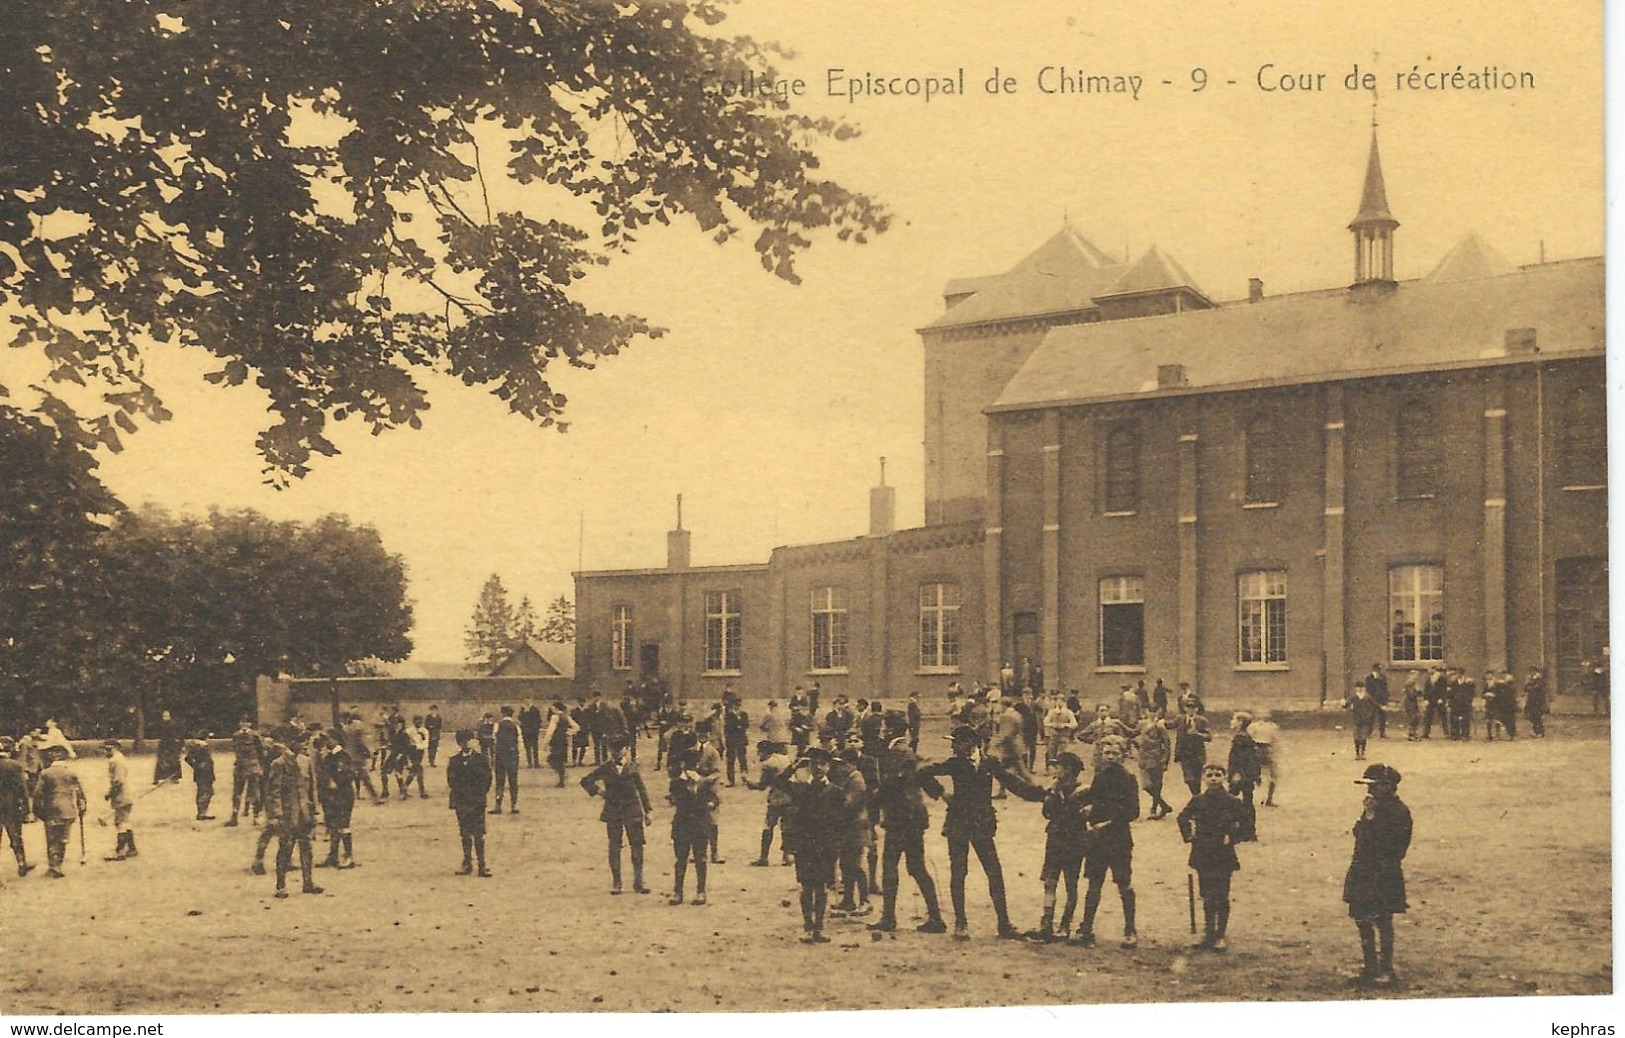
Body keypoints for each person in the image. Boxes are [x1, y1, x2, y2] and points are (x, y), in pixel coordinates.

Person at [917, 724, 1038, 941]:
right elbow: (922, 772)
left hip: (982, 824)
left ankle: (1004, 923)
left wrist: (1039, 794)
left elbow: (1013, 783)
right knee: (958, 872)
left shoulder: (990, 763)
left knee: (994, 872)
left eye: (956, 742)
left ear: (970, 744)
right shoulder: (955, 763)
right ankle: (960, 923)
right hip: (958, 824)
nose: (953, 746)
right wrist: (942, 793)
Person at [868, 720, 946, 934]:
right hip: (913, 818)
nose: (882, 731)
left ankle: (889, 918)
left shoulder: (896, 752)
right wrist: (939, 792)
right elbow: (923, 774)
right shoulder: (908, 751)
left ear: (892, 730)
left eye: (885, 728)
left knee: (890, 866)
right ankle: (936, 917)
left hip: (900, 818)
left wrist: (873, 799)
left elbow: (890, 784)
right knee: (916, 867)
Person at [1343, 763, 1412, 986]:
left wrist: (1371, 818)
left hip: (1383, 873)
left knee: (1382, 920)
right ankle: (1370, 966)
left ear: (1387, 786)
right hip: (1363, 870)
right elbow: (1358, 832)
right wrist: (1368, 816)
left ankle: (1386, 969)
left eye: (1373, 786)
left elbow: (1394, 846)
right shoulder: (1373, 807)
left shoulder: (1399, 812)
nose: (1369, 791)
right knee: (1362, 919)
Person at [1074, 735, 1141, 949]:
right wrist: (1085, 804)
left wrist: (1107, 822)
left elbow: (1133, 811)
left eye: (1115, 753)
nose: (1110, 757)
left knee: (1123, 883)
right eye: (1107, 753)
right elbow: (1093, 798)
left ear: (1123, 756)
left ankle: (1130, 930)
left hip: (1118, 838)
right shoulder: (1100, 776)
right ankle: (1086, 928)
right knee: (1094, 883)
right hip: (1097, 840)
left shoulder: (1128, 778)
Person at [777, 747, 845, 943]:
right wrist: (795, 765)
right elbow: (779, 781)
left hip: (825, 846)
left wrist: (835, 847)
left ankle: (819, 928)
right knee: (806, 887)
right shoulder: (800, 788)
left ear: (828, 767)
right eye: (814, 764)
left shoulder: (836, 792)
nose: (818, 768)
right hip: (805, 845)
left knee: (822, 887)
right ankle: (808, 926)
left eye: (822, 764)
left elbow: (840, 823)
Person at [1177, 762, 1247, 951]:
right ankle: (1208, 933)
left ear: (1225, 777)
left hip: (1224, 853)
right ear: (1204, 778)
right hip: (1203, 851)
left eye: (1218, 774)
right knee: (1207, 894)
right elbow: (1182, 817)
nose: (1214, 778)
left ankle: (1220, 935)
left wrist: (1232, 837)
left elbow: (1247, 825)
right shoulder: (1198, 800)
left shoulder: (1233, 801)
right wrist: (1189, 835)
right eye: (1209, 775)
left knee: (1222, 894)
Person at [1023, 750, 1088, 943]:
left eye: (1058, 766)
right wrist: (1052, 794)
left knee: (1070, 884)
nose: (1055, 770)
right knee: (1050, 881)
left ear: (1069, 770)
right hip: (1055, 840)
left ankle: (1065, 925)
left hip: (1074, 841)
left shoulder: (1084, 791)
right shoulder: (1054, 788)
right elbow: (1047, 813)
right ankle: (1047, 923)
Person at [580, 736, 653, 895]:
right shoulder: (605, 768)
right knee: (614, 846)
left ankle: (639, 881)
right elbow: (586, 781)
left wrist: (647, 811)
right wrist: (599, 792)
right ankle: (616, 882)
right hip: (613, 811)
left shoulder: (633, 767)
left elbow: (642, 789)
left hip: (632, 810)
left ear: (626, 749)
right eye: (613, 749)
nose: (616, 752)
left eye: (620, 749)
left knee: (637, 845)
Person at [262, 735, 322, 898]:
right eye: (299, 741)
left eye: (304, 742)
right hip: (287, 814)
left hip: (304, 813)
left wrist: (314, 811)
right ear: (290, 743)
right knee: (285, 849)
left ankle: (308, 882)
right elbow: (273, 792)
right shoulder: (279, 764)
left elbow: (312, 788)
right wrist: (275, 815)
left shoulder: (306, 761)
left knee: (306, 848)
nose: (302, 745)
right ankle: (281, 886)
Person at [667, 747, 718, 906]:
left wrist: (710, 803)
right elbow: (678, 801)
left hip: (700, 824)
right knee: (681, 859)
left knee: (700, 858)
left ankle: (700, 891)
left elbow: (715, 799)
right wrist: (691, 787)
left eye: (693, 764)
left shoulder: (704, 782)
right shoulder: (677, 783)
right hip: (683, 824)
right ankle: (678, 891)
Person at [446, 730, 493, 877]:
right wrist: (463, 795)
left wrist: (478, 795)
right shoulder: (454, 761)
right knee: (465, 833)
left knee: (479, 834)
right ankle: (467, 863)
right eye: (463, 741)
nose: (466, 744)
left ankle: (482, 865)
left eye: (468, 740)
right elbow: (452, 781)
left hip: (477, 801)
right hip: (462, 802)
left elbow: (487, 780)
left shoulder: (481, 759)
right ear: (459, 744)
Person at [34, 746, 85, 878]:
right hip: (69, 810)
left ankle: (53, 866)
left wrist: (38, 811)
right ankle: (59, 865)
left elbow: (38, 794)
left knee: (52, 839)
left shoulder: (46, 773)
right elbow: (80, 794)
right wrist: (82, 807)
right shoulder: (71, 773)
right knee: (63, 838)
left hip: (52, 809)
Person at [746, 740, 795, 867]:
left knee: (768, 827)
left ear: (764, 752)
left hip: (776, 799)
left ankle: (764, 857)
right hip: (790, 797)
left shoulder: (768, 764)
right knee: (786, 827)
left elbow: (762, 785)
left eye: (759, 752)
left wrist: (749, 782)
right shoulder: (784, 758)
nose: (758, 755)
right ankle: (786, 857)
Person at [315, 735, 359, 869]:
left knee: (344, 825)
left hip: (343, 795)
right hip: (331, 796)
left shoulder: (343, 756)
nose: (326, 742)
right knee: (332, 825)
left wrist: (335, 782)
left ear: (336, 740)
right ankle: (332, 856)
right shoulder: (328, 757)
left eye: (329, 739)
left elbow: (348, 776)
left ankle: (348, 856)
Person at [0, 737, 34, 876]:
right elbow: (22, 789)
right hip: (12, 806)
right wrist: (27, 810)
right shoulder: (15, 765)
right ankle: (22, 863)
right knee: (15, 836)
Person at [1226, 712, 1261, 842]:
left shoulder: (1240, 738)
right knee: (1247, 801)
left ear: (1240, 722)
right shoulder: (1246, 737)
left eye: (1234, 719)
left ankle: (1242, 831)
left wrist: (1236, 774)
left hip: (1241, 775)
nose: (1231, 722)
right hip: (1247, 774)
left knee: (1231, 801)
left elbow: (1239, 758)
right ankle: (1248, 831)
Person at [102, 740, 138, 861]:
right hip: (127, 792)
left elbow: (118, 781)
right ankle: (132, 848)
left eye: (109, 749)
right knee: (125, 820)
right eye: (105, 749)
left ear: (116, 748)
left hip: (122, 794)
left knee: (120, 822)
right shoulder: (119, 758)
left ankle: (120, 851)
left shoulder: (116, 761)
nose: (106, 752)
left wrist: (110, 793)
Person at [226, 718, 264, 826]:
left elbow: (261, 751)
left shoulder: (255, 736)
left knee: (254, 793)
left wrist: (259, 766)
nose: (244, 724)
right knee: (237, 793)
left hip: (252, 767)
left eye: (246, 722)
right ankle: (234, 817)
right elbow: (235, 750)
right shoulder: (236, 736)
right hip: (241, 767)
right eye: (242, 722)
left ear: (250, 724)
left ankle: (256, 817)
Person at [1135, 713, 1173, 819]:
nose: (1151, 713)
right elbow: (1133, 733)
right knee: (1146, 785)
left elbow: (1166, 743)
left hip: (1156, 758)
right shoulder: (1142, 724)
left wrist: (1165, 759)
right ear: (1146, 711)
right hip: (1144, 759)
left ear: (1158, 712)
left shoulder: (1160, 726)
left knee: (1157, 785)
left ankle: (1154, 809)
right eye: (1149, 710)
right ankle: (1164, 805)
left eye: (1154, 711)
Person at [1172, 700, 1212, 796]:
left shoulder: (1202, 721)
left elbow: (1208, 737)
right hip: (1184, 753)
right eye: (1188, 707)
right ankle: (1197, 796)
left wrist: (1198, 734)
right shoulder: (1179, 719)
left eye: (1193, 708)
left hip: (1197, 754)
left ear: (1197, 709)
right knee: (1189, 779)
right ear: (1185, 709)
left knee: (1197, 779)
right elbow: (1169, 725)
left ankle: (1197, 797)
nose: (1191, 710)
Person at [491, 705, 521, 814]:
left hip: (500, 756)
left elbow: (494, 739)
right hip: (512, 756)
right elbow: (519, 742)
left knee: (500, 781)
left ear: (502, 713)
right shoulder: (516, 726)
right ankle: (514, 805)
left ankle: (498, 806)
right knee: (513, 781)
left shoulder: (497, 725)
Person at [1249, 711, 1282, 807]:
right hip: (1257, 749)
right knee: (1254, 774)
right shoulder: (1253, 726)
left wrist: (1274, 752)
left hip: (1267, 749)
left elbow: (1276, 741)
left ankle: (1269, 798)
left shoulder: (1273, 727)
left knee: (1273, 775)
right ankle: (1254, 797)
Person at [542, 700, 579, 788]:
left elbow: (550, 731)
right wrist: (569, 732)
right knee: (560, 760)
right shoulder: (566, 716)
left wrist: (545, 743)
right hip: (564, 741)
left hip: (556, 741)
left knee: (553, 760)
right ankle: (562, 778)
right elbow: (577, 727)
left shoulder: (555, 717)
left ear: (556, 708)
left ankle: (562, 778)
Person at [183, 737, 216, 821]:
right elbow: (188, 758)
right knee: (206, 792)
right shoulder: (201, 746)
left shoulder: (197, 746)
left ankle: (202, 812)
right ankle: (202, 813)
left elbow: (188, 758)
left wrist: (195, 766)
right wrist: (197, 765)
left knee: (205, 791)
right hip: (204, 773)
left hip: (204, 772)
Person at [1043, 693, 1077, 771]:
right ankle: (1047, 768)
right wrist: (1053, 725)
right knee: (1050, 752)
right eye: (1057, 701)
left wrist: (1065, 725)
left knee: (1062, 753)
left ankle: (1060, 769)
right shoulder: (1051, 712)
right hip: (1053, 735)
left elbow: (1074, 724)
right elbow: (1045, 722)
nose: (1059, 703)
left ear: (1064, 702)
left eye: (1061, 701)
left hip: (1064, 736)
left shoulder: (1068, 712)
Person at [1347, 681, 1379, 761]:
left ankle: (1362, 753)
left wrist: (1370, 714)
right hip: (1356, 719)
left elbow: (1375, 705)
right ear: (1356, 689)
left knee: (1364, 737)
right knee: (1357, 737)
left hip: (1365, 720)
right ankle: (1357, 753)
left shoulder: (1367, 697)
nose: (1360, 689)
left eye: (1362, 688)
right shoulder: (1353, 697)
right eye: (1358, 688)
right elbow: (1346, 705)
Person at [722, 698, 751, 786]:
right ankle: (731, 780)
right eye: (736, 705)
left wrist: (739, 726)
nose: (737, 707)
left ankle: (744, 777)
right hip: (731, 740)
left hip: (741, 739)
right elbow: (728, 728)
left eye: (739, 705)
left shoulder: (744, 714)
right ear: (733, 705)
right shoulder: (728, 715)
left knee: (742, 759)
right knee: (731, 760)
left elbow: (746, 725)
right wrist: (738, 726)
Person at [152, 710, 184, 784]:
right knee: (161, 761)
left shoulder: (174, 725)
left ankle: (175, 777)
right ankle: (158, 778)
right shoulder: (161, 724)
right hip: (164, 745)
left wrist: (179, 745)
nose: (165, 717)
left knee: (174, 761)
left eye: (167, 716)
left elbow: (178, 735)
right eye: (164, 716)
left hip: (172, 745)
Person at [1364, 663, 1390, 739]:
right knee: (1370, 716)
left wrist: (1386, 698)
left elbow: (1385, 688)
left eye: (1379, 669)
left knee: (1382, 716)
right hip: (1372, 699)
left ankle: (1382, 732)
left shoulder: (1383, 677)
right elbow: (1368, 689)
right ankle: (1368, 732)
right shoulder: (1368, 678)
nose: (1378, 671)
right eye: (1377, 669)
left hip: (1381, 699)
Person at [1524, 667, 1549, 737]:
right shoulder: (1530, 680)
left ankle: (1540, 731)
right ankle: (1535, 731)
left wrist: (1531, 687)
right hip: (1531, 700)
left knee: (1537, 716)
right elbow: (1526, 689)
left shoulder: (1540, 680)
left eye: (1532, 672)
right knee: (1532, 716)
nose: (1531, 673)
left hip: (1538, 701)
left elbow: (1538, 688)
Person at [519, 700, 544, 768]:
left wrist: (536, 728)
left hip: (533, 731)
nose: (527, 702)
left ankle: (536, 763)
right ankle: (529, 763)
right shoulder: (522, 710)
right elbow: (520, 718)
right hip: (525, 731)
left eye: (528, 700)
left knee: (535, 747)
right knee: (527, 747)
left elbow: (538, 719)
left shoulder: (535, 709)